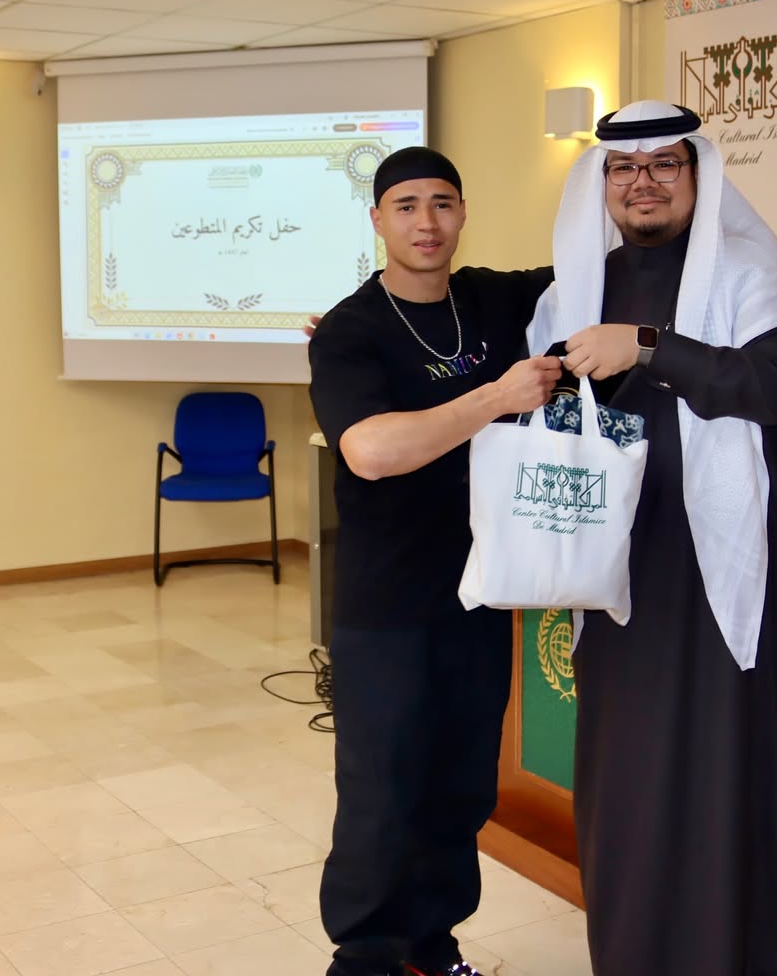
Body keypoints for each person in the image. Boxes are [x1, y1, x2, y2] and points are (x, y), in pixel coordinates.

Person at [527, 100, 777, 975]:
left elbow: (773, 387)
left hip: (734, 568)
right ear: (603, 183)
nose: (644, 182)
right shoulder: (572, 291)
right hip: (620, 565)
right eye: (624, 167)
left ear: (698, 174)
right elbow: (545, 409)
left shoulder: (751, 274)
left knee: (733, 760)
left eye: (665, 164)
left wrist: (648, 347)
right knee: (630, 768)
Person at [308, 146, 559, 976]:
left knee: (460, 790)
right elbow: (372, 451)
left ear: (462, 213)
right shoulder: (350, 331)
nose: (427, 222)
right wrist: (495, 397)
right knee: (382, 797)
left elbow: (603, 271)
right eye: (407, 205)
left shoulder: (493, 298)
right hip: (386, 607)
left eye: (443, 203)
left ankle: (430, 948)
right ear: (377, 220)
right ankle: (366, 960)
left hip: (479, 595)